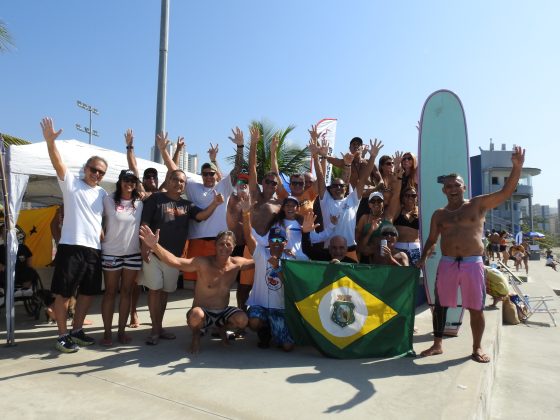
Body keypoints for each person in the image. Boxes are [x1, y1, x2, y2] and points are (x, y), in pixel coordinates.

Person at [417, 146, 525, 363]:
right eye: (448, 186)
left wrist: (517, 167)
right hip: (447, 263)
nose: (453, 188)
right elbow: (431, 240)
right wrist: (423, 258)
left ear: (464, 187)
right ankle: (437, 345)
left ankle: (476, 347)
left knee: (476, 307)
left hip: (472, 263)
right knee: (439, 306)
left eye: (456, 185)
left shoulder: (477, 205)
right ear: (444, 191)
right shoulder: (439, 214)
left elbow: (505, 192)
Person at [41, 117, 108, 353]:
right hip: (71, 247)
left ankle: (77, 331)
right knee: (64, 294)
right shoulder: (71, 183)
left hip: (94, 250)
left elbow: (101, 217)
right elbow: (57, 162)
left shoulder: (102, 194)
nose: (97, 174)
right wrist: (50, 142)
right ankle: (61, 336)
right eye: (94, 169)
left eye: (101, 172)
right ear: (85, 169)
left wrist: (100, 230)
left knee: (88, 294)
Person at [139, 168, 224, 345]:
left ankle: (159, 327)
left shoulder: (187, 205)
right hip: (153, 254)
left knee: (165, 293)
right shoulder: (156, 199)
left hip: (174, 258)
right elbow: (145, 223)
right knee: (154, 291)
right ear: (168, 180)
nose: (179, 184)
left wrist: (215, 204)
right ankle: (155, 330)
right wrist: (144, 246)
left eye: (182, 182)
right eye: (176, 180)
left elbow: (201, 216)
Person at [139, 227, 254, 354]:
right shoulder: (202, 263)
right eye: (221, 243)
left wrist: (276, 250)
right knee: (196, 316)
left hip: (223, 312)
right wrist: (155, 246)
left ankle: (222, 329)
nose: (224, 247)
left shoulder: (237, 264)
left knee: (243, 320)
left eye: (228, 244)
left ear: (233, 247)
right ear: (215, 245)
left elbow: (259, 261)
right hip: (202, 312)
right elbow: (175, 261)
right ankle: (196, 337)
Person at [240, 195, 296, 351]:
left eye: (280, 241)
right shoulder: (260, 253)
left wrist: (278, 267)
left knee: (288, 347)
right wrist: (246, 214)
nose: (276, 244)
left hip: (279, 309)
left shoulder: (290, 259)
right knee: (254, 321)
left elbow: (290, 285)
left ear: (285, 243)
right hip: (261, 306)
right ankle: (264, 333)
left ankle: (274, 330)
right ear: (268, 241)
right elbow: (248, 235)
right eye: (273, 240)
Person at [100, 170, 143, 346]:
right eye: (126, 179)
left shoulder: (140, 202)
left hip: (133, 253)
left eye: (133, 180)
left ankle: (121, 332)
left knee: (126, 292)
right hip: (111, 252)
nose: (129, 183)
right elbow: (94, 218)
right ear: (120, 181)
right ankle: (107, 333)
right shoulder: (108, 199)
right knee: (110, 292)